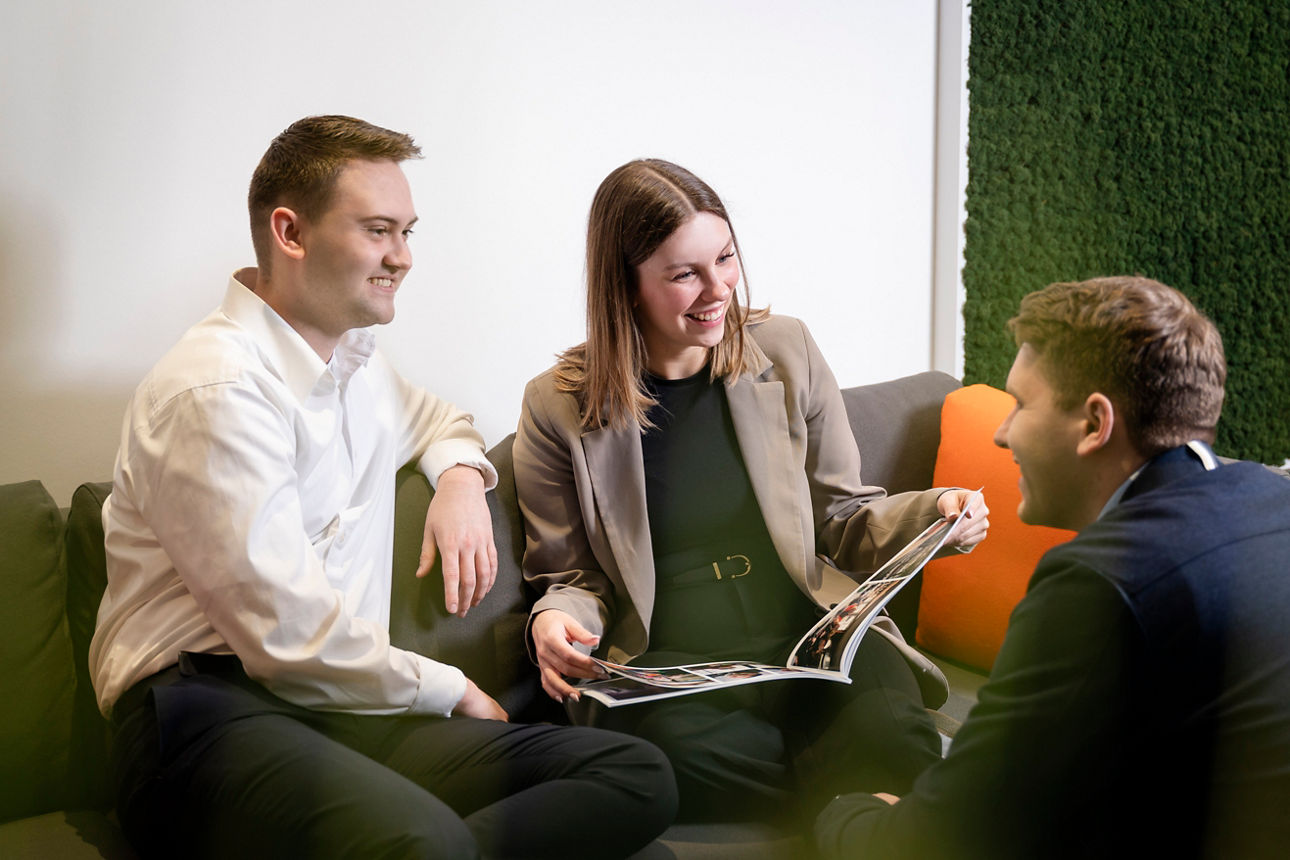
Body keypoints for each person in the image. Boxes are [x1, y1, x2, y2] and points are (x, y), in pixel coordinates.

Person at [89, 116, 676, 860]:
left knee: (634, 775)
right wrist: (450, 688)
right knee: (422, 841)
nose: (402, 257)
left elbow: (441, 420)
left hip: (342, 717)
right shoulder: (217, 390)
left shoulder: (356, 367)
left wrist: (461, 477)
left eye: (407, 232)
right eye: (377, 230)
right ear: (290, 233)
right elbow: (287, 637)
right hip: (203, 718)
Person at [513, 158, 989, 826]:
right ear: (626, 285)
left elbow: (845, 515)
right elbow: (571, 576)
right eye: (685, 274)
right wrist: (555, 622)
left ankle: (854, 797)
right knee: (670, 758)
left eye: (726, 259)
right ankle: (862, 805)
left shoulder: (786, 350)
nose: (718, 291)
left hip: (811, 633)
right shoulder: (555, 406)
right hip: (674, 661)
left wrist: (934, 512)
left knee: (885, 729)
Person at [816, 276, 1290, 858]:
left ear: (1094, 424)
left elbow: (944, 835)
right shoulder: (1275, 501)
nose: (1001, 431)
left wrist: (845, 815)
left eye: (1020, 404)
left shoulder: (1100, 578)